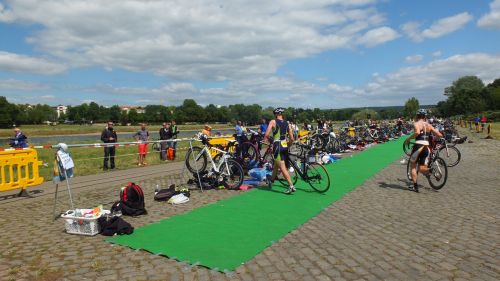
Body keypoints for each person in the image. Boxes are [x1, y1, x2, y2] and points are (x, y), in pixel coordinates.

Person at [404, 109, 443, 193]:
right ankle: (431, 170)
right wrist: (435, 139)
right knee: (422, 168)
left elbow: (417, 133)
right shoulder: (429, 125)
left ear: (417, 116)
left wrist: (408, 139)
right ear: (425, 116)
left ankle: (415, 186)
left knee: (413, 166)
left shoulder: (416, 123)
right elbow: (439, 135)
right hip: (426, 147)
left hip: (418, 146)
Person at [264, 107, 296, 194]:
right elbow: (292, 138)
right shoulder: (287, 123)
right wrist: (288, 145)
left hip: (277, 146)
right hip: (285, 145)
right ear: (282, 114)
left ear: (276, 114)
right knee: (276, 165)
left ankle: (291, 186)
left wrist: (269, 140)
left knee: (282, 167)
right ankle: (271, 181)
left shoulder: (273, 122)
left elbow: (266, 134)